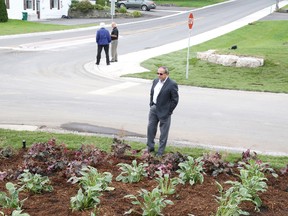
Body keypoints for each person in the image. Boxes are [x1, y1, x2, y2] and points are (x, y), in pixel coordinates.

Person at [146, 66, 179, 156]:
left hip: (165, 111)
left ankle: (160, 151)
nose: (159, 75)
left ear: (167, 74)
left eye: (161, 74)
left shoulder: (172, 84)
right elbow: (152, 93)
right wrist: (151, 104)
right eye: (158, 73)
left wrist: (169, 111)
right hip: (154, 108)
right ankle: (150, 147)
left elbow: (175, 100)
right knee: (150, 128)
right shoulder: (155, 81)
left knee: (163, 132)